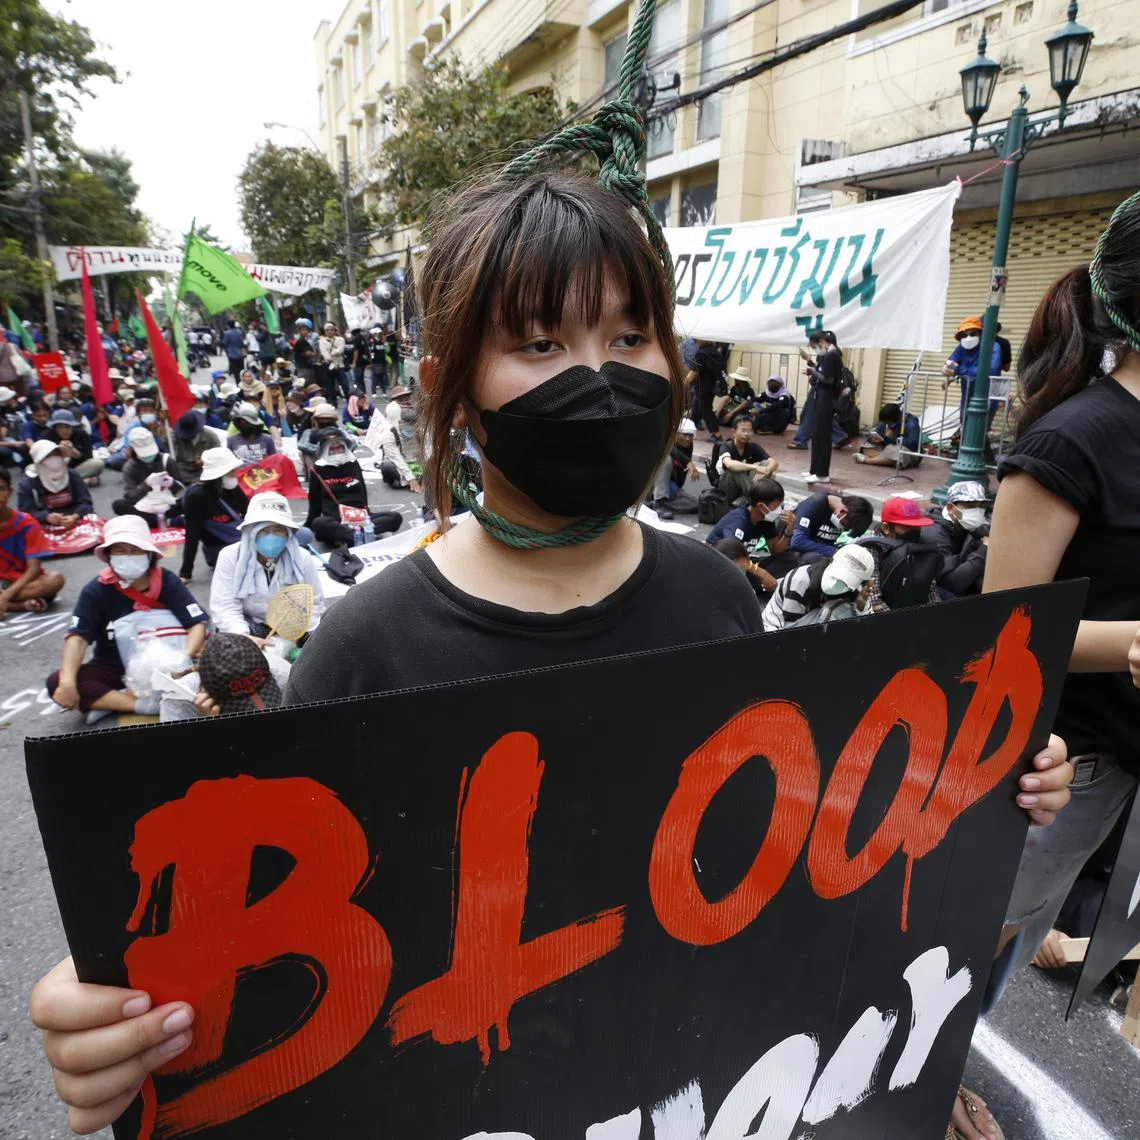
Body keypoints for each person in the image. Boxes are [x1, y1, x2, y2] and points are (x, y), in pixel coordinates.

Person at [23, 169, 1073, 1140]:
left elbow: (788, 854)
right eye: (539, 344)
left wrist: (986, 784)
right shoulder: (368, 648)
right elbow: (266, 936)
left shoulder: (712, 594)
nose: (600, 379)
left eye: (628, 338)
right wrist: (117, 1009)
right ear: (453, 384)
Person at [983, 191, 1140, 1015]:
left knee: (1023, 926)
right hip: (1060, 767)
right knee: (978, 934)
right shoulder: (1073, 440)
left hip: (1122, 769)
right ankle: (915, 1085)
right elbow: (1004, 629)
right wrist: (1130, 645)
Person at [46, 514, 207, 722]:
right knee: (57, 682)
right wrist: (67, 683)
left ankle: (111, 702)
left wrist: (181, 660)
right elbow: (77, 638)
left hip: (170, 662)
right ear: (109, 555)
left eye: (135, 550)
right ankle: (144, 705)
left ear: (149, 554)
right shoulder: (96, 591)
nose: (128, 556)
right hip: (117, 666)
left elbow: (196, 624)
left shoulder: (166, 581)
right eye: (120, 550)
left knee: (211, 676)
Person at [209, 491, 325, 641]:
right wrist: (246, 637)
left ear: (288, 533)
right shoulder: (230, 556)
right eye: (263, 530)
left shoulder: (302, 557)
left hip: (291, 625)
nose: (271, 537)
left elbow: (314, 603)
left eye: (278, 529)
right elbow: (225, 607)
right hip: (249, 623)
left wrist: (299, 635)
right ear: (251, 531)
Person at [304, 425, 402, 546]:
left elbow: (363, 493)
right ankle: (361, 535)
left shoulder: (353, 463)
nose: (337, 452)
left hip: (361, 518)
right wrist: (308, 527)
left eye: (339, 448)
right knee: (319, 524)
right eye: (332, 449)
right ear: (325, 450)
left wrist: (366, 518)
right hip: (337, 521)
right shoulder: (318, 469)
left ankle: (352, 537)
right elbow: (314, 503)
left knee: (395, 517)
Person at [705, 477, 793, 593]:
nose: (779, 510)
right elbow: (731, 555)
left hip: (744, 562)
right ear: (761, 506)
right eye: (776, 506)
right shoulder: (737, 522)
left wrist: (789, 530)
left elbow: (776, 550)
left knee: (792, 560)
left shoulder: (766, 520)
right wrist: (763, 574)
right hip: (719, 563)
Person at [762, 543, 875, 632]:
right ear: (831, 561)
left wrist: (861, 606)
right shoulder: (800, 581)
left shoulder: (857, 590)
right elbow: (790, 630)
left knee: (845, 610)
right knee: (836, 610)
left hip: (812, 628)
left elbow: (869, 628)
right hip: (777, 628)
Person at [857, 495, 941, 612]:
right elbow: (874, 601)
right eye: (907, 527)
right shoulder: (871, 549)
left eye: (917, 527)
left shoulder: (920, 546)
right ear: (886, 528)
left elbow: (931, 588)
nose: (914, 532)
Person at [0, 468, 64, 613]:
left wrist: (5, 596)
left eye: (0, 489)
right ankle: (20, 606)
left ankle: (7, 603)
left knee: (55, 579)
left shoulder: (26, 523)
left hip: (23, 582)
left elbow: (34, 569)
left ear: (9, 492)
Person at [179, 447, 247, 582]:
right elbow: (192, 535)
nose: (235, 474)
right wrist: (186, 572)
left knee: (301, 536)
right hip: (218, 548)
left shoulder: (232, 487)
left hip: (242, 537)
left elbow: (250, 511)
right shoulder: (197, 497)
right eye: (231, 472)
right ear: (218, 475)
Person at [922, 479, 989, 598]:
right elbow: (953, 583)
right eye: (970, 506)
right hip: (935, 591)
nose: (976, 511)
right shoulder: (936, 535)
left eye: (980, 506)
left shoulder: (964, 524)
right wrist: (984, 549)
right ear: (950, 508)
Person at [112, 428, 183, 527]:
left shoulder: (167, 460)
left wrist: (172, 483)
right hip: (144, 506)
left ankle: (158, 520)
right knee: (118, 505)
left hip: (167, 502)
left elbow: (181, 489)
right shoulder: (129, 467)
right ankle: (164, 521)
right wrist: (146, 485)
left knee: (192, 498)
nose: (148, 457)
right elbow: (130, 497)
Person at [18, 439, 94, 526]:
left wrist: (74, 516)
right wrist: (46, 517)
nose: (53, 458)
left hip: (75, 518)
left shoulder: (72, 475)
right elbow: (25, 513)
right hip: (44, 525)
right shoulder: (28, 483)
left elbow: (86, 502)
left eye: (56, 454)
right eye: (47, 456)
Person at [942, 315, 1003, 425]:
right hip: (967, 398)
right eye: (964, 335)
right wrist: (946, 368)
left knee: (981, 432)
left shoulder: (993, 347)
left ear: (980, 333)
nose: (968, 338)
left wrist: (958, 370)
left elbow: (990, 370)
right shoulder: (961, 348)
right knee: (964, 429)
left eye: (972, 333)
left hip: (986, 399)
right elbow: (952, 361)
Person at [803, 328, 843, 484]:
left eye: (816, 346)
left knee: (823, 436)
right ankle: (815, 469)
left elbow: (829, 380)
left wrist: (812, 370)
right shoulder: (829, 356)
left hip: (827, 399)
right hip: (821, 397)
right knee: (817, 434)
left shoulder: (832, 355)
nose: (817, 349)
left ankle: (822, 472)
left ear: (822, 342)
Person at [711, 415, 779, 505]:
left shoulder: (753, 447)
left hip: (744, 485)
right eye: (743, 430)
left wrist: (765, 470)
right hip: (727, 489)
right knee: (735, 471)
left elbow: (774, 462)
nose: (746, 434)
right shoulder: (726, 446)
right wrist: (755, 467)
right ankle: (757, 499)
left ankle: (751, 497)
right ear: (734, 432)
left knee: (766, 464)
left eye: (749, 431)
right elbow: (730, 464)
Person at [790, 491, 872, 558]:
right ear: (843, 512)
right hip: (796, 555)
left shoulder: (844, 515)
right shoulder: (813, 505)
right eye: (845, 525)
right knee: (814, 557)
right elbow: (797, 542)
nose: (844, 528)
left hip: (822, 551)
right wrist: (835, 551)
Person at [362, 402, 421, 491]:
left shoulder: (420, 429)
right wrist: (411, 478)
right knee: (387, 466)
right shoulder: (389, 434)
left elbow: (428, 452)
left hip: (417, 463)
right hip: (401, 464)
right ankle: (403, 481)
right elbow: (396, 457)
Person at [649, 417, 700, 518]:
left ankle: (654, 503)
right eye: (685, 435)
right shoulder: (666, 442)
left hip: (672, 486)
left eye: (691, 435)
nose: (688, 439)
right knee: (666, 459)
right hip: (654, 485)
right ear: (676, 434)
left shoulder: (688, 445)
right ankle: (659, 502)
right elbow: (670, 450)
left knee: (696, 504)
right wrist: (688, 462)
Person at [44, 408, 104, 484]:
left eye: (67, 426)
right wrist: (58, 450)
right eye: (60, 427)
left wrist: (75, 453)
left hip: (75, 469)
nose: (64, 430)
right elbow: (40, 458)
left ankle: (65, 482)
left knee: (98, 463)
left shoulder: (81, 434)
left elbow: (89, 457)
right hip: (53, 470)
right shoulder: (46, 436)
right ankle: (78, 482)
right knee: (31, 469)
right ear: (55, 428)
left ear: (72, 426)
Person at [854, 402, 922, 468]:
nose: (887, 425)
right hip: (888, 448)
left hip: (907, 451)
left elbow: (913, 444)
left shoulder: (911, 424)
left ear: (896, 419)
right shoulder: (885, 422)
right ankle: (885, 460)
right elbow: (876, 434)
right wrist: (874, 438)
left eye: (888, 423)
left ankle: (867, 460)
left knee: (900, 453)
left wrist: (892, 439)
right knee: (865, 447)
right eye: (885, 423)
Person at [688, 340, 725, 440]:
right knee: (696, 408)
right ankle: (688, 430)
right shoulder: (716, 352)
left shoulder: (701, 353)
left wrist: (682, 384)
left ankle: (716, 434)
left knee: (706, 411)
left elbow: (694, 372)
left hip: (703, 386)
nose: (696, 341)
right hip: (712, 386)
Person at [171, 411, 211, 485]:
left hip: (205, 470)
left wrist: (205, 460)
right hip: (184, 472)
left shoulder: (210, 436)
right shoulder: (175, 437)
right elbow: (174, 457)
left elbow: (218, 455)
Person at [0, 385, 29, 467]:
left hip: (22, 432)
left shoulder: (23, 405)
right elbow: (3, 433)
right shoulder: (3, 410)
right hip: (10, 438)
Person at [318, 322, 347, 403]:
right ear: (325, 331)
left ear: (335, 331)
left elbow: (341, 349)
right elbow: (324, 352)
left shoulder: (340, 339)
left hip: (340, 365)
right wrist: (329, 358)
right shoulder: (322, 341)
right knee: (330, 385)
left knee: (345, 384)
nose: (330, 332)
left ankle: (348, 399)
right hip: (329, 365)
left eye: (332, 330)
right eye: (327, 330)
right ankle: (333, 402)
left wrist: (332, 353)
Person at [293, 318, 317, 384]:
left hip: (308, 367)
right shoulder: (300, 341)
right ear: (299, 331)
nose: (305, 332)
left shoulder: (306, 341)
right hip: (302, 368)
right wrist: (311, 354)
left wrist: (311, 354)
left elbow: (312, 353)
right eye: (303, 330)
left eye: (306, 330)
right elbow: (309, 353)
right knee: (302, 385)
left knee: (309, 386)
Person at [370, 325, 389, 393]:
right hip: (375, 363)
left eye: (379, 333)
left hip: (383, 362)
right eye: (377, 333)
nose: (378, 334)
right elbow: (371, 352)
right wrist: (372, 361)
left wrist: (385, 342)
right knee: (374, 377)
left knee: (383, 377)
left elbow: (387, 350)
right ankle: (373, 391)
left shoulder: (382, 341)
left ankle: (384, 391)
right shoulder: (372, 341)